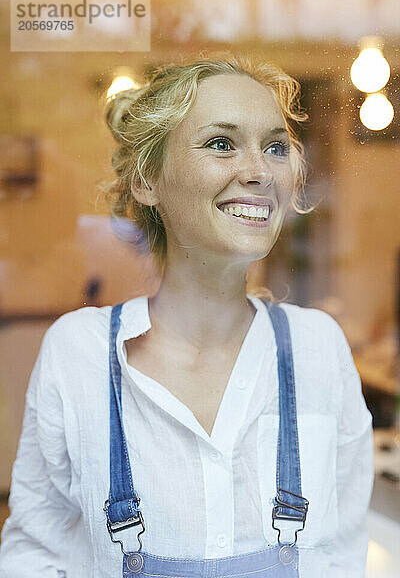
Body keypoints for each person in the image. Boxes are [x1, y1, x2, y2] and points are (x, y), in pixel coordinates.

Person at [0, 55, 374, 578]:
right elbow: (34, 556)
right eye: (221, 143)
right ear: (148, 180)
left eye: (275, 146)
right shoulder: (79, 352)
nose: (258, 171)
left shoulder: (319, 349)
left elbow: (339, 558)